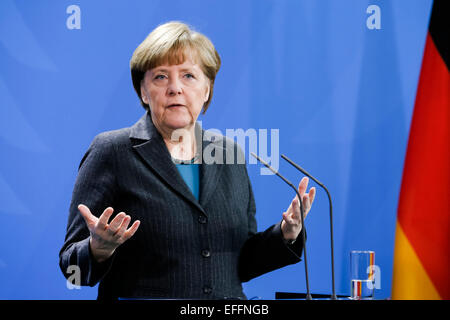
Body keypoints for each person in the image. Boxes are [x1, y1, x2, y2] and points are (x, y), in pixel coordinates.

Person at [59, 21, 316, 300]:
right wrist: (98, 248)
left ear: (206, 90)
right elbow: (71, 267)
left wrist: (286, 234)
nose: (175, 88)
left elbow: (238, 265)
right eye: (160, 77)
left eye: (188, 76)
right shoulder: (112, 151)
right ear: (144, 92)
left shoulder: (229, 153)